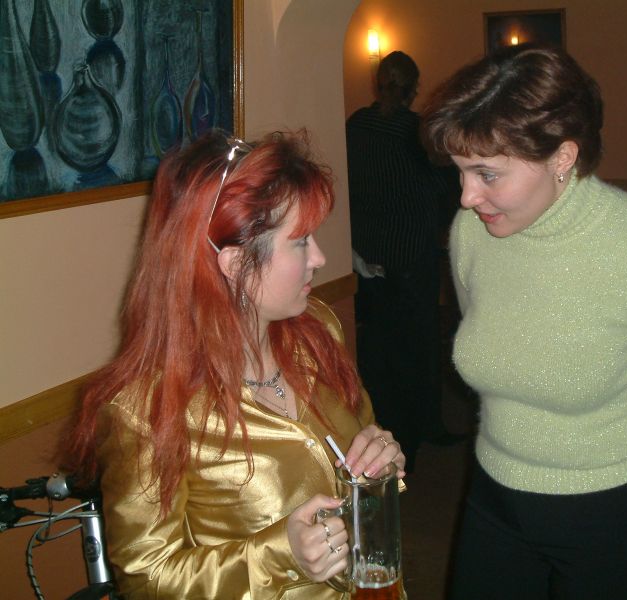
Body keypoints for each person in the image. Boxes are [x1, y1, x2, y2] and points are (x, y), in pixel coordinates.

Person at [422, 43, 627, 599]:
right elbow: (500, 342)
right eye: (461, 172)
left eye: (487, 174)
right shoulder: (473, 233)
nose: (467, 197)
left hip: (616, 511)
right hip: (494, 496)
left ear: (562, 157)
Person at [63, 130, 405, 599]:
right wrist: (278, 553)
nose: (320, 258)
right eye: (300, 241)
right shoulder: (146, 409)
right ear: (236, 264)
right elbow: (147, 579)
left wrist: (382, 463)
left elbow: (365, 444)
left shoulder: (320, 332)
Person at [346, 50, 460, 472]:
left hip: (365, 255)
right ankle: (422, 428)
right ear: (415, 88)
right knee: (419, 348)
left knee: (378, 351)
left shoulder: (357, 125)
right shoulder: (416, 131)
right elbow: (442, 188)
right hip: (412, 255)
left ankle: (384, 428)